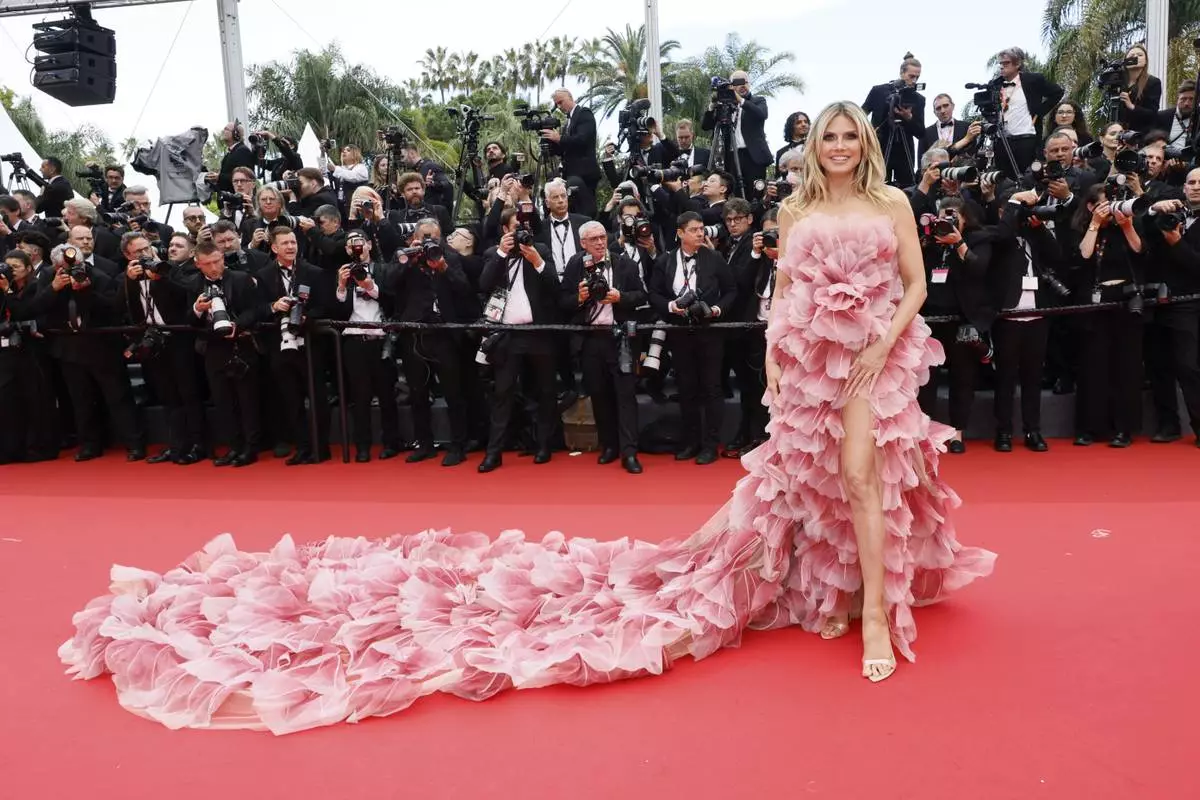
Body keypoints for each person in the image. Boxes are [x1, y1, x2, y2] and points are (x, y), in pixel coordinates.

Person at [58, 102, 996, 735]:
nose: (836, 147)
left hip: (876, 359)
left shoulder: (894, 201)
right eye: (825, 138)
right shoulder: (792, 210)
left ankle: (876, 611)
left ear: (864, 144)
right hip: (805, 365)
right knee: (815, 480)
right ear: (813, 149)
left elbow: (914, 285)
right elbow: (786, 293)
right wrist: (776, 369)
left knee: (867, 476)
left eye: (846, 137)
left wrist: (880, 340)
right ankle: (834, 596)